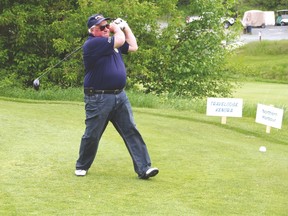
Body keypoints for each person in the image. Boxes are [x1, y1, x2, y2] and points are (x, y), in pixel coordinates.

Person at [75, 14, 159, 179]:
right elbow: (119, 40)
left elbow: (133, 46)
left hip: (120, 96)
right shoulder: (93, 44)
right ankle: (82, 165)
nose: (106, 29)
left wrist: (125, 26)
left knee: (131, 130)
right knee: (92, 134)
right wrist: (116, 28)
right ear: (92, 31)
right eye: (102, 27)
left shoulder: (110, 42)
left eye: (107, 26)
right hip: (98, 98)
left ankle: (144, 168)